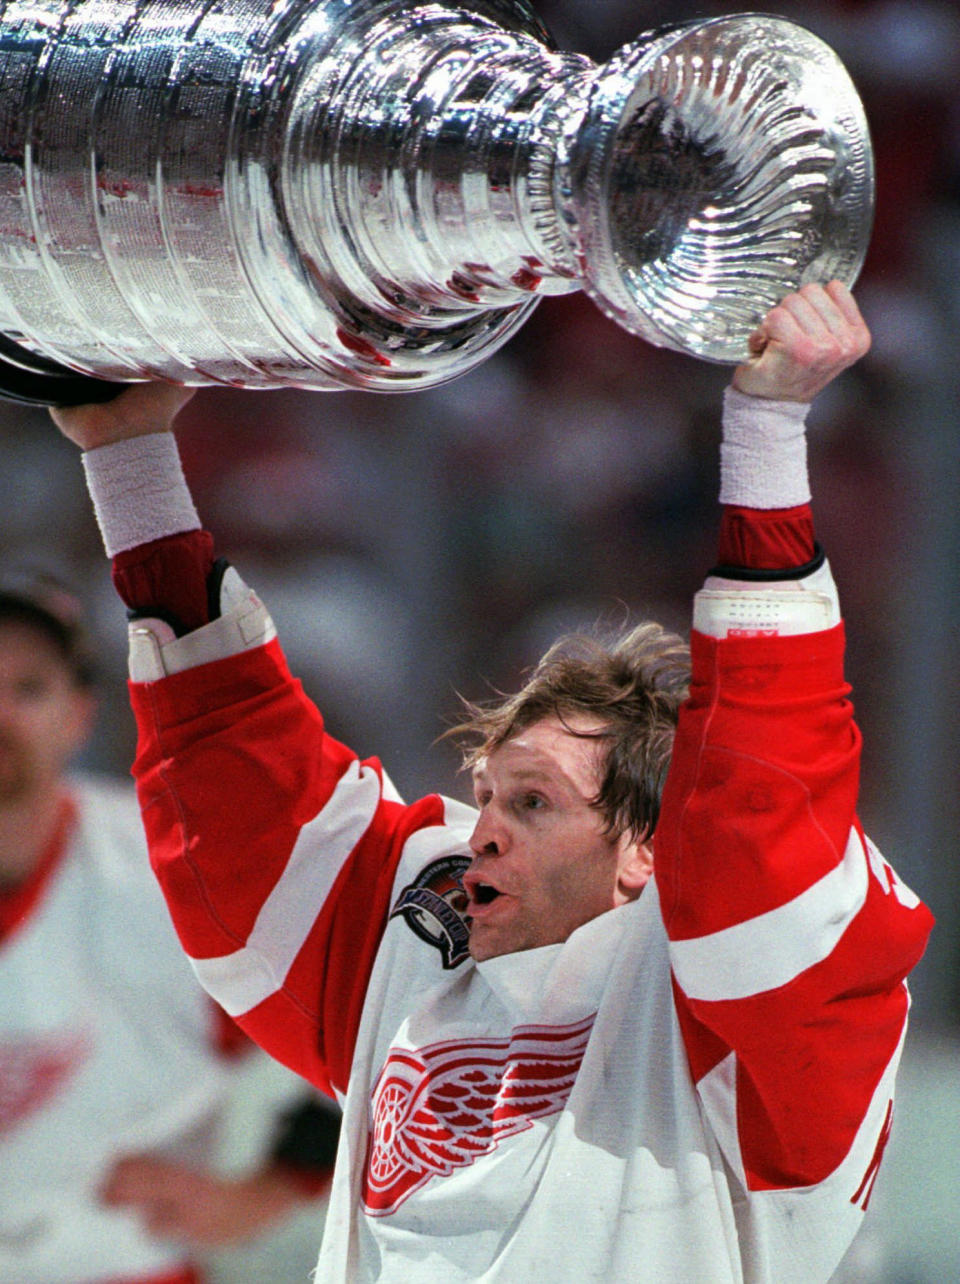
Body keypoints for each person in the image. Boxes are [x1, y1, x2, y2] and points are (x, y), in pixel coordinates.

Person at [50, 281, 933, 1282]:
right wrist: (127, 457)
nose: (483, 831)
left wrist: (767, 429)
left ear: (647, 851)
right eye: (490, 793)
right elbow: (239, 797)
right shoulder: (426, 942)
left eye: (535, 801)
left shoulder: (734, 1038)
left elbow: (764, 826)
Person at [0, 570, 341, 1284]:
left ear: (79, 715)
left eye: (28, 689)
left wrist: (274, 1191)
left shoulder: (175, 876)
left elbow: (365, 1025)